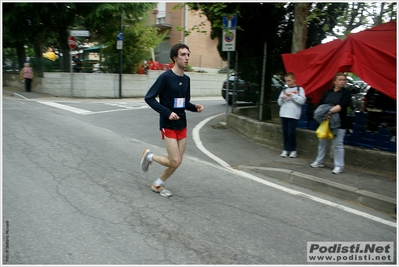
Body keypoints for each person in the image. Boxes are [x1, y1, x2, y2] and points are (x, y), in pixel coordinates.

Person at [140, 43, 204, 197]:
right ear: (175, 58)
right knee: (174, 160)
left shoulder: (187, 80)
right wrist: (167, 113)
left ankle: (157, 184)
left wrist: (194, 107)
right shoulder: (165, 77)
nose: (186, 57)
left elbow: (184, 102)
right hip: (168, 124)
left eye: (188, 54)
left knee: (177, 161)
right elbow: (149, 98)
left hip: (182, 124)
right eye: (183, 54)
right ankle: (149, 156)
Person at [310, 72, 352, 174]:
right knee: (322, 142)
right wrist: (325, 113)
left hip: (339, 122)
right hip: (325, 121)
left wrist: (330, 111)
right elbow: (320, 104)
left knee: (337, 145)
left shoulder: (346, 93)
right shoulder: (327, 92)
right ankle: (320, 161)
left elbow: (343, 105)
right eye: (340, 80)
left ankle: (339, 166)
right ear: (334, 81)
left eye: (343, 80)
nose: (342, 82)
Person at [277, 72, 306, 158]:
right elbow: (279, 102)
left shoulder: (299, 89)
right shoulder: (284, 90)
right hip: (284, 113)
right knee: (285, 132)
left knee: (291, 132)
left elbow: (302, 101)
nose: (288, 83)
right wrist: (282, 99)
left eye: (289, 81)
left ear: (294, 80)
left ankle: (293, 149)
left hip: (293, 114)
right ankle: (285, 149)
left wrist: (292, 95)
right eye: (286, 81)